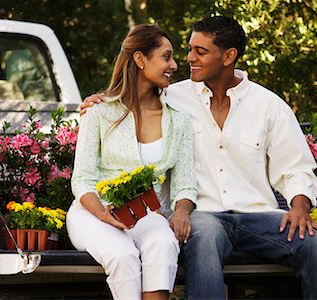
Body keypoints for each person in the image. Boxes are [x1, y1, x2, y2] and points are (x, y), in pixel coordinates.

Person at [82, 16, 317, 299]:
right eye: (190, 49)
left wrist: (300, 206)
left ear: (228, 56)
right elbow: (129, 98)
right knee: (204, 242)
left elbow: (296, 167)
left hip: (260, 216)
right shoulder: (172, 98)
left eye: (200, 52)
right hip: (202, 215)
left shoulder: (268, 105)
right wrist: (98, 100)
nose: (189, 58)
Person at [68, 24, 197, 300]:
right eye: (166, 57)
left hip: (144, 214)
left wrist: (182, 211)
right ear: (140, 60)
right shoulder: (100, 112)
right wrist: (103, 214)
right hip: (93, 212)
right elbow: (82, 179)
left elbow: (185, 185)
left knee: (163, 242)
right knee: (123, 254)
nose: (174, 65)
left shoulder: (179, 119)